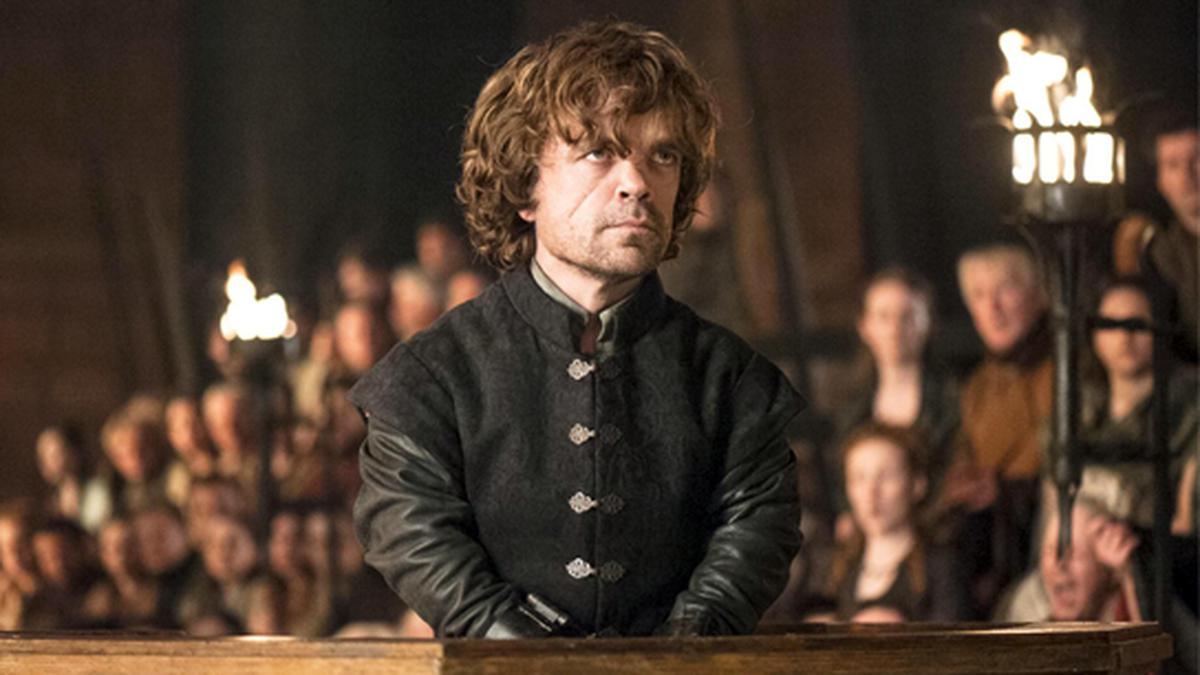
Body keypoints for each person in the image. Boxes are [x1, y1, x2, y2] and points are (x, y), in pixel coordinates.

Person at [351, 20, 803, 638]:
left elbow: (757, 526)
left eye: (663, 155)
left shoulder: (732, 380)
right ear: (525, 187)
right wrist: (520, 647)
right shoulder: (430, 378)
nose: (637, 183)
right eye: (598, 152)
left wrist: (683, 650)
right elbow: (411, 530)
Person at [940, 242, 1052, 616]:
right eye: (978, 295)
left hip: (1040, 536)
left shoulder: (1068, 370)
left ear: (1038, 296)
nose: (993, 307)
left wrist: (1007, 489)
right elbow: (966, 457)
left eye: (1005, 290)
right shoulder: (978, 386)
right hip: (991, 538)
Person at [830, 267, 958, 541]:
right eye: (883, 316)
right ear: (865, 327)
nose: (895, 329)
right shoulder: (852, 409)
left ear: (928, 324)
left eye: (907, 316)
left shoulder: (954, 398)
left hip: (941, 534)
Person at [811, 423, 966, 622]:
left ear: (917, 484)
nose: (871, 493)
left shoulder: (942, 565)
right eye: (859, 478)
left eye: (886, 477)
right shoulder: (838, 564)